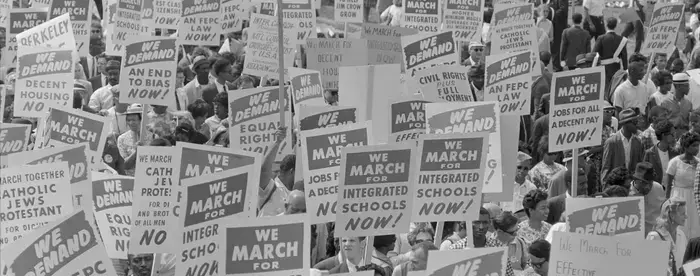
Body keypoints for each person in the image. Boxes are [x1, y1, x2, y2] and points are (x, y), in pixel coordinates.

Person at [667, 132, 700, 238]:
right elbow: (668, 185)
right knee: (681, 226)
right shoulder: (674, 162)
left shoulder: (699, 163)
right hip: (679, 197)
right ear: (685, 147)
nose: (697, 148)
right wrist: (667, 201)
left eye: (698, 145)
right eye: (693, 146)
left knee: (695, 225)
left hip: (695, 199)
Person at [647, 198, 688, 276]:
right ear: (672, 216)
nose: (686, 217)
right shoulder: (654, 237)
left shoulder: (681, 235)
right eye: (683, 214)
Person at [601, 108, 644, 183]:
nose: (637, 124)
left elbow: (639, 165)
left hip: (632, 186)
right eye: (634, 122)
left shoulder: (638, 142)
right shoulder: (611, 142)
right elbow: (606, 168)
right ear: (625, 124)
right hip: (616, 185)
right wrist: (606, 188)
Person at [594, 17, 628, 98]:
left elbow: (594, 53)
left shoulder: (601, 38)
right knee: (614, 87)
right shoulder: (621, 39)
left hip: (603, 67)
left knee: (605, 87)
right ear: (615, 26)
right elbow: (624, 56)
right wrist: (625, 69)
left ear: (606, 25)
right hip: (616, 67)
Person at [630, 162, 667, 236]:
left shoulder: (658, 188)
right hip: (635, 235)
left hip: (655, 235)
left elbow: (663, 213)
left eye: (650, 183)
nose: (647, 187)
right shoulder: (627, 193)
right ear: (636, 180)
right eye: (643, 183)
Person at [117, 103, 143, 176]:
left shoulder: (153, 137)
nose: (131, 123)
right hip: (130, 180)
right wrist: (136, 152)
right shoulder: (122, 139)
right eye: (128, 120)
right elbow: (124, 165)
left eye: (134, 120)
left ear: (142, 119)